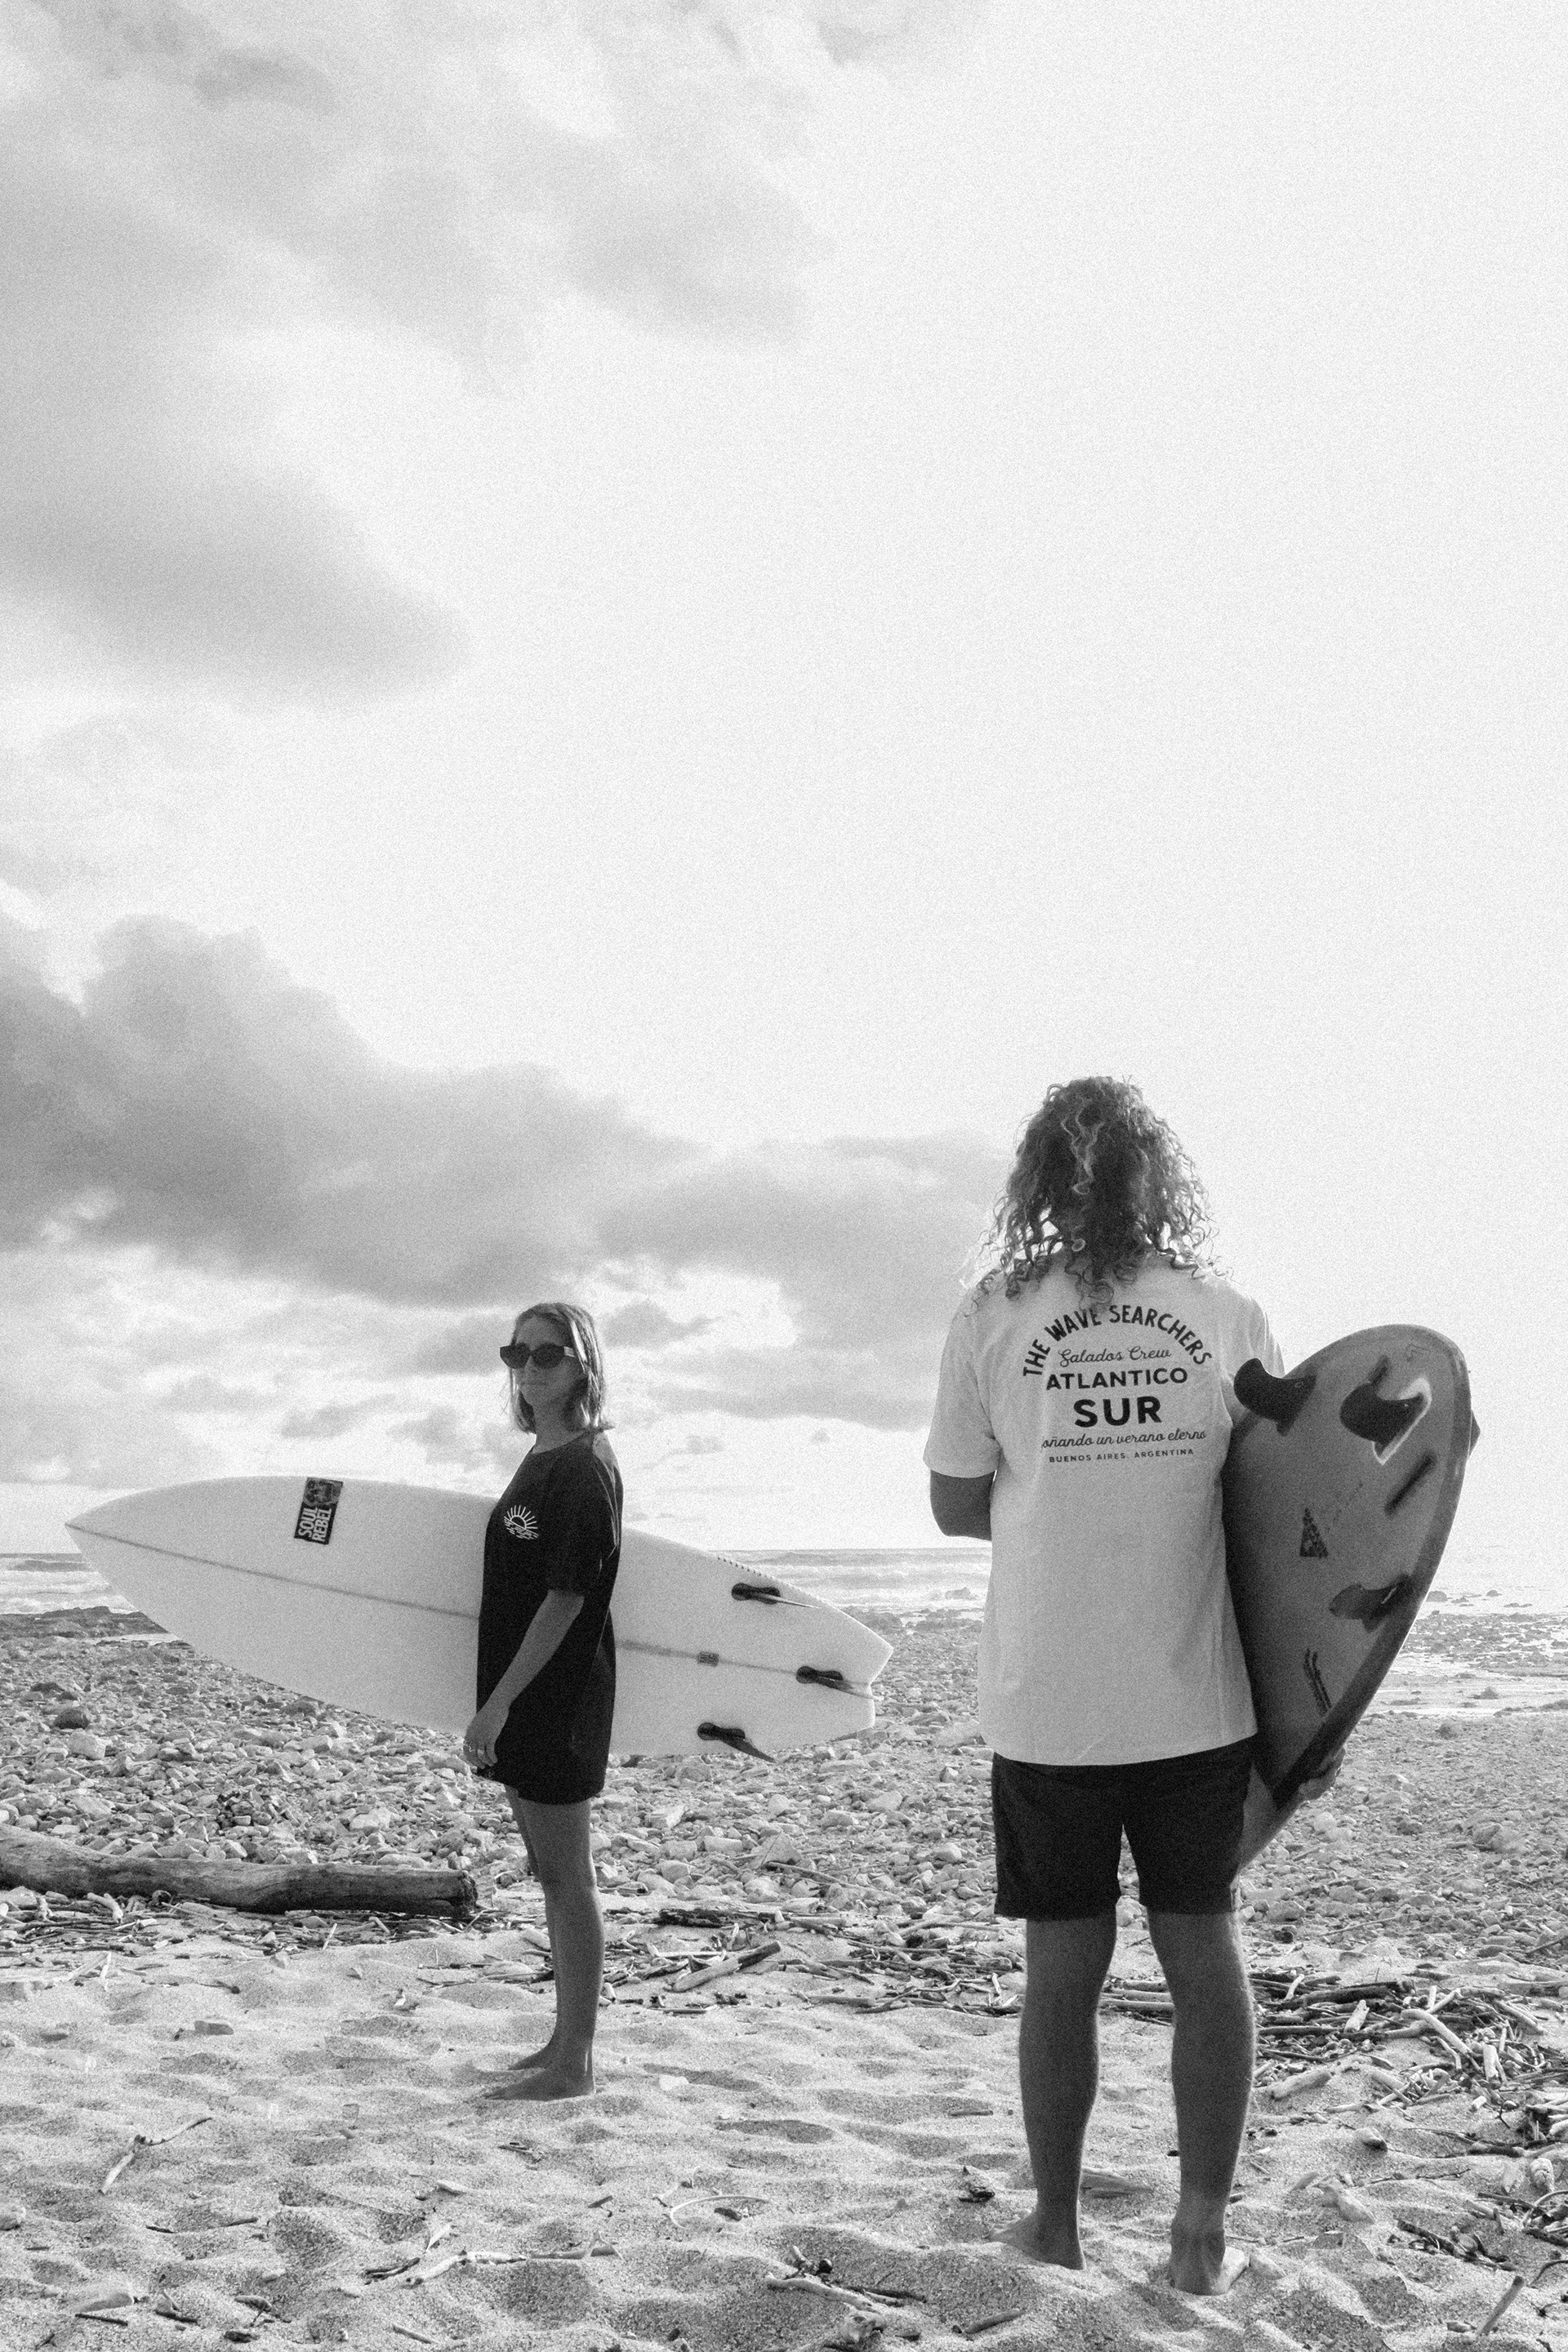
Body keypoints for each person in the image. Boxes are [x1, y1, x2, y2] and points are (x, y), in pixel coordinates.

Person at [924, 1077, 1297, 2294]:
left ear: (1040, 1180)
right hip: (1197, 1696)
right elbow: (1286, 1510)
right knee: (1202, 1948)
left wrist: (1061, 1493)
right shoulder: (1226, 1315)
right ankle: (1200, 2234)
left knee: (1063, 1970)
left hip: (1050, 1701)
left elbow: (954, 1502)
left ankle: (1056, 2224)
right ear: (1158, 1178)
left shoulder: (993, 1311)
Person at [464, 1301, 621, 2103]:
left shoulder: (584, 1467)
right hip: (525, 1694)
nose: (528, 1367)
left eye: (548, 1354)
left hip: (556, 1697)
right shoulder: (544, 1455)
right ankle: (562, 2042)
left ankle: (576, 2063)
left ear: (582, 1364)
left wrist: (497, 1705)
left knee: (568, 1876)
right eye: (516, 1353)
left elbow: (566, 1599)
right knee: (549, 1872)